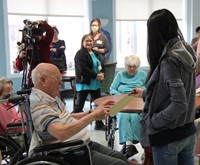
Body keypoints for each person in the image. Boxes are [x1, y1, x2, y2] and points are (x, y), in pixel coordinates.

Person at [30, 63, 129, 165]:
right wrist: (92, 117)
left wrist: (92, 112)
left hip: (83, 144)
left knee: (120, 156)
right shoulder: (40, 104)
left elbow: (67, 117)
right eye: (57, 78)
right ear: (43, 80)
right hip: (70, 151)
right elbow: (61, 133)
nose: (60, 82)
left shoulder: (49, 97)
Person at [133, 9, 197, 165]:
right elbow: (170, 91)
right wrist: (146, 93)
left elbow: (179, 103)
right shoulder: (186, 50)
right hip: (188, 132)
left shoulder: (169, 60)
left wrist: (154, 121)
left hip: (169, 137)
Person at [110, 55, 147, 158]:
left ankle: (129, 146)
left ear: (138, 66)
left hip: (138, 100)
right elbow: (112, 89)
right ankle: (129, 144)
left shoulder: (143, 74)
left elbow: (149, 90)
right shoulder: (120, 75)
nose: (131, 68)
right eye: (129, 66)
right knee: (122, 115)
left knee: (135, 116)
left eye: (134, 66)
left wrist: (142, 92)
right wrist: (120, 96)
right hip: (123, 100)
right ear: (125, 66)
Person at [73, 34, 106, 130]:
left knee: (98, 105)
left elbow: (101, 65)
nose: (89, 43)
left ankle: (99, 124)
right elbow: (83, 69)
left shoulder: (95, 53)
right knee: (79, 106)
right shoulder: (80, 54)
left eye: (90, 41)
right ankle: (74, 124)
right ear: (82, 42)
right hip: (85, 83)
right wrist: (96, 75)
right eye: (86, 41)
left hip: (95, 83)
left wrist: (102, 74)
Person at [15, 20, 54, 88]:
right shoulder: (26, 45)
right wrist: (20, 57)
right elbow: (19, 68)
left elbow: (50, 31)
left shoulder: (45, 41)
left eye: (37, 31)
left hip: (47, 73)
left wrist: (42, 23)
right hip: (34, 76)